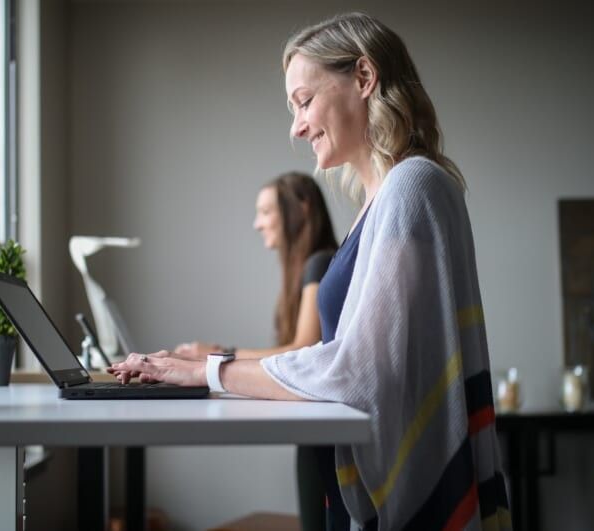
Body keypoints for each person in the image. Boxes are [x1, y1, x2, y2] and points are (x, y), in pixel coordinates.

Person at [110, 12, 511, 531]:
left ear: (364, 79)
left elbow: (359, 370)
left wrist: (209, 372)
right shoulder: (387, 198)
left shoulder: (412, 185)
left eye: (304, 101)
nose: (296, 127)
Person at [171, 172, 340, 531]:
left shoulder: (321, 262)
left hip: (328, 436)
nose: (256, 223)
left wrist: (216, 356)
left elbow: (303, 351)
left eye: (265, 211)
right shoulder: (310, 266)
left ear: (301, 208)